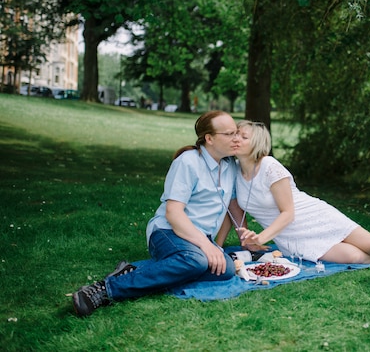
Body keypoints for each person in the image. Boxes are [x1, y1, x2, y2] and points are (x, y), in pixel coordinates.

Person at [72, 110, 245, 317]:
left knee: (225, 270)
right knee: (196, 262)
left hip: (196, 239)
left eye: (236, 132)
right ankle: (104, 289)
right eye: (229, 134)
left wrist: (241, 238)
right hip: (168, 231)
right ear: (209, 138)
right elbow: (173, 213)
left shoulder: (230, 166)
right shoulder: (188, 162)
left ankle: (134, 270)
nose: (236, 138)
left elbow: (232, 206)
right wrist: (207, 245)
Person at [230, 120, 370, 264]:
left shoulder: (269, 166)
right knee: (357, 258)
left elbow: (288, 213)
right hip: (289, 238)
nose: (236, 139)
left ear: (257, 143)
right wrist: (245, 240)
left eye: (244, 137)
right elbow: (234, 206)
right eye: (235, 134)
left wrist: (262, 238)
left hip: (312, 217)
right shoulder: (234, 169)